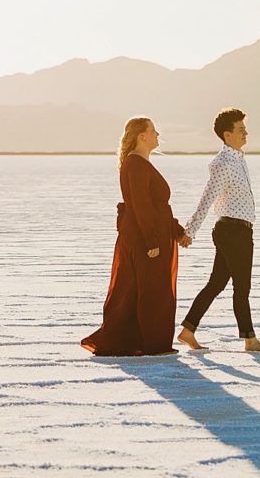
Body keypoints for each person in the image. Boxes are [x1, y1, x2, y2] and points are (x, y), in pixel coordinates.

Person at [81, 117, 192, 356]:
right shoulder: (135, 164)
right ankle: (152, 344)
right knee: (151, 290)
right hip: (145, 238)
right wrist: (152, 241)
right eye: (153, 131)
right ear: (142, 136)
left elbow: (156, 206)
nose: (157, 134)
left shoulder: (140, 163)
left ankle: (143, 342)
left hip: (153, 234)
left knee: (145, 289)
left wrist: (177, 231)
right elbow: (141, 205)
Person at [177, 108, 260, 353]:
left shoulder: (238, 159)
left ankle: (188, 330)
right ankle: (250, 340)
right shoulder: (223, 163)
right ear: (227, 134)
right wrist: (190, 230)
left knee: (216, 283)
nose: (246, 133)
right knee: (242, 287)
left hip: (238, 231)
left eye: (245, 128)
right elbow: (207, 198)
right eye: (241, 129)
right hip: (232, 232)